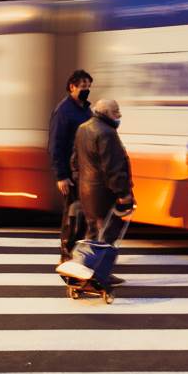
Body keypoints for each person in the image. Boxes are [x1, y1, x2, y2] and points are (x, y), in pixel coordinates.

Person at [71, 99, 134, 285]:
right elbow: (113, 168)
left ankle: (86, 271)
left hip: (87, 191)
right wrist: (123, 193)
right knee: (107, 235)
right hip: (103, 193)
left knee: (92, 233)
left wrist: (81, 183)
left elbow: (74, 161)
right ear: (105, 112)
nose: (119, 115)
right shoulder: (106, 133)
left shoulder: (83, 128)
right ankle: (99, 274)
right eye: (116, 111)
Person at [47, 69, 93, 262]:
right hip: (71, 173)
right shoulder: (64, 111)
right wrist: (61, 175)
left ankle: (77, 254)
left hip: (84, 171)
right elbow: (55, 145)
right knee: (72, 215)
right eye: (83, 87)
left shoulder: (85, 109)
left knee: (82, 214)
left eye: (89, 87)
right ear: (72, 87)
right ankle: (66, 256)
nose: (87, 90)